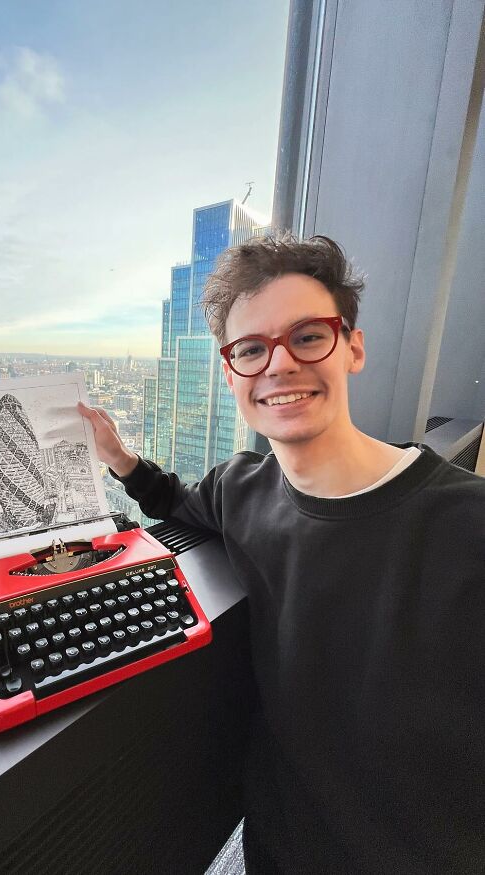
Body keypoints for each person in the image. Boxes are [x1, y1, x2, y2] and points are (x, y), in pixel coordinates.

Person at [79, 232, 485, 874]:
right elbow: (177, 503)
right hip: (280, 850)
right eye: (251, 349)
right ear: (229, 370)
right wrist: (122, 461)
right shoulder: (240, 489)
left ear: (352, 347)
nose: (278, 365)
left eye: (307, 336)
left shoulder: (468, 524)